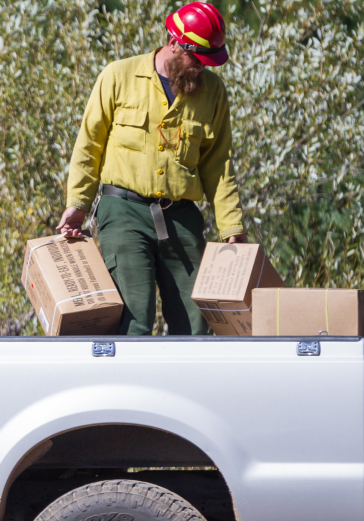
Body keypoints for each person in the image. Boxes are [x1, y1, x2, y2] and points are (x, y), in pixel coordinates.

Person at [57, 2, 247, 336]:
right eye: (197, 58)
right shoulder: (118, 76)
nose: (202, 68)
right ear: (174, 43)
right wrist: (78, 204)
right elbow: (89, 144)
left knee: (196, 324)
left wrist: (232, 225)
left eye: (209, 61)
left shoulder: (213, 92)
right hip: (124, 212)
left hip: (181, 217)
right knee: (135, 321)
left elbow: (219, 164)